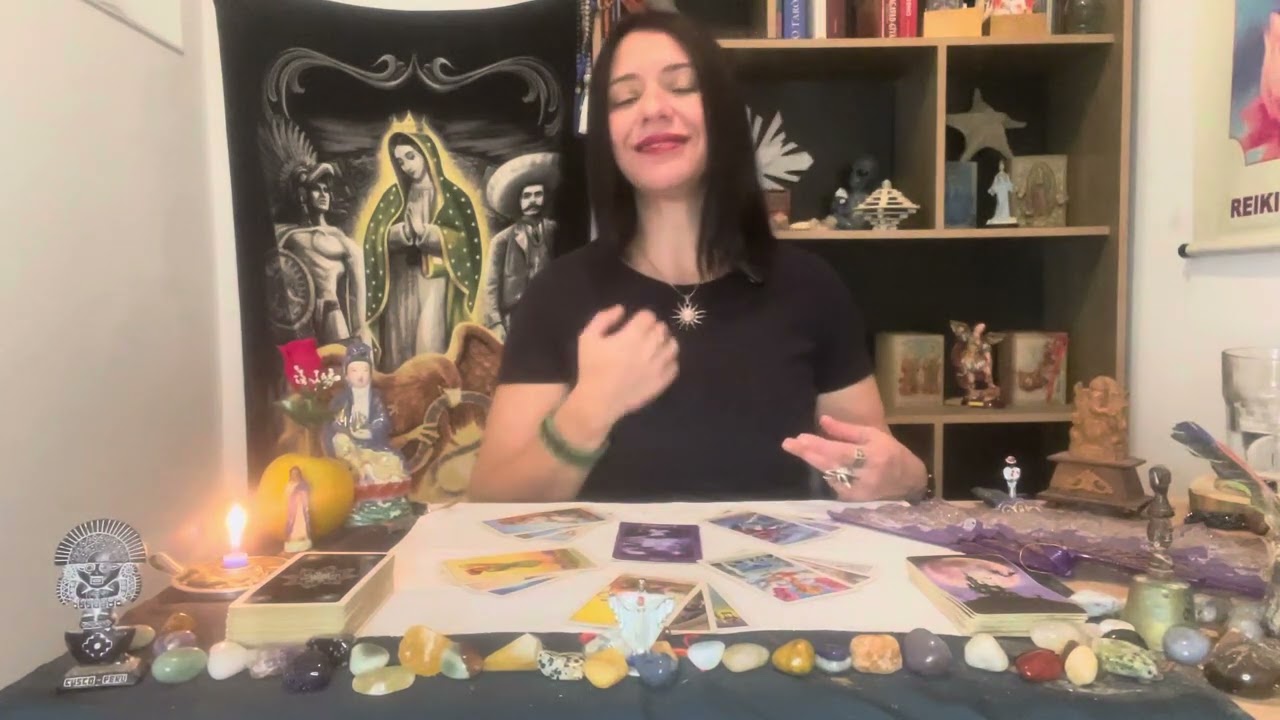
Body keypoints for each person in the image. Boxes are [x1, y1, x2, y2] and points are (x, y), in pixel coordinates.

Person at [466, 11, 928, 503]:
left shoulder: (811, 289)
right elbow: (491, 502)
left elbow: (869, 472)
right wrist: (589, 410)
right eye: (625, 97)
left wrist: (907, 479)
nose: (652, 108)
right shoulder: (557, 295)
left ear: (722, 112)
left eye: (682, 86)